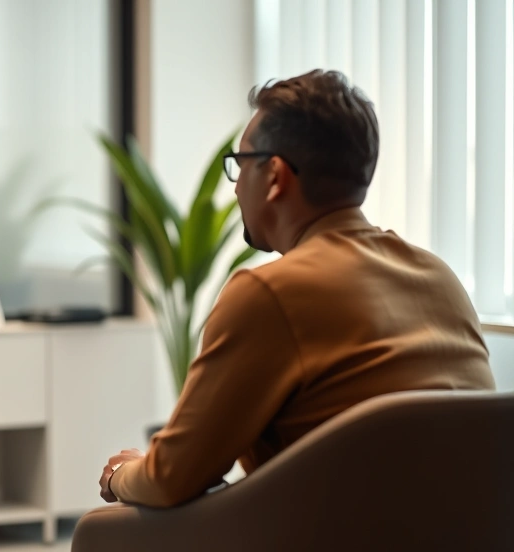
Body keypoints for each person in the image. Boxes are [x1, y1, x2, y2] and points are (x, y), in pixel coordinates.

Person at [98, 69, 496, 508]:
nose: (234, 189)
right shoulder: (440, 278)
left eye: (240, 165)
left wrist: (123, 472)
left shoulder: (269, 295)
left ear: (273, 176)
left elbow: (170, 479)